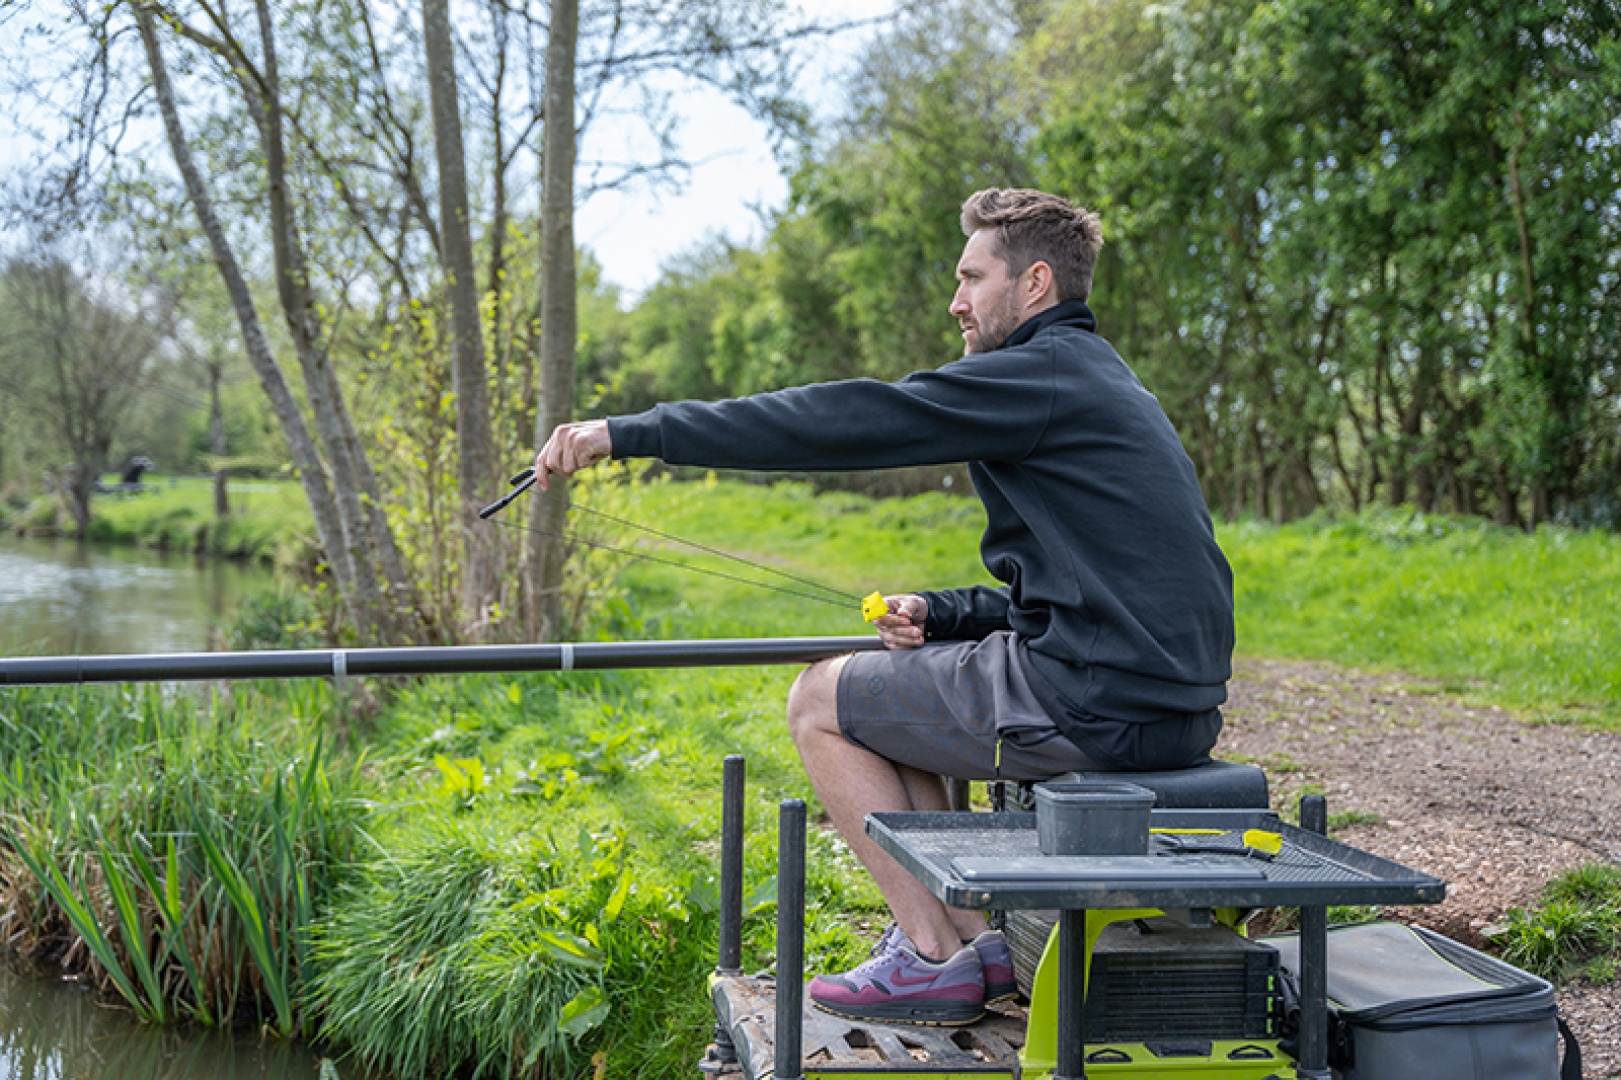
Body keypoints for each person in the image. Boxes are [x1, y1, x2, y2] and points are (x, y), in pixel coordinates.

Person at [534, 188, 1234, 1026]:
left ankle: (933, 956)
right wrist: (944, 614)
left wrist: (636, 432)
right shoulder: (1095, 378)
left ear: (1036, 283)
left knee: (819, 701)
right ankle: (968, 948)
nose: (956, 301)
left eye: (972, 277)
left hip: (1099, 704)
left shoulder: (1035, 376)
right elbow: (1086, 588)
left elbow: (845, 419)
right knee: (889, 690)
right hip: (1167, 705)